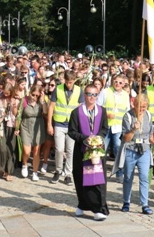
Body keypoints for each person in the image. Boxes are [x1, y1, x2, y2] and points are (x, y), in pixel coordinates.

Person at [67, 84, 109, 221]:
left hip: (97, 151)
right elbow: (72, 132)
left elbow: (104, 129)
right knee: (81, 179)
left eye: (95, 94)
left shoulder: (102, 111)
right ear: (84, 95)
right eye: (89, 94)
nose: (92, 97)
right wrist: (85, 138)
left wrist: (98, 138)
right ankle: (82, 204)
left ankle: (98, 208)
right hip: (82, 151)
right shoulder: (76, 112)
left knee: (97, 180)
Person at [120, 93, 154, 215]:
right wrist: (133, 129)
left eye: (144, 107)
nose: (142, 109)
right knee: (128, 177)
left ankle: (144, 204)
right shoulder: (128, 116)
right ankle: (126, 201)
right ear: (134, 104)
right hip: (131, 149)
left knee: (144, 177)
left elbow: (151, 134)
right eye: (140, 106)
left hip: (144, 149)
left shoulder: (148, 115)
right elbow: (126, 138)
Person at [47, 70, 83, 185]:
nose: (69, 84)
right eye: (67, 82)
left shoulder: (79, 90)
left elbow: (81, 108)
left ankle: (68, 174)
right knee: (58, 149)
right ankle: (58, 170)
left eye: (71, 82)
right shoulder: (58, 89)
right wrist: (49, 124)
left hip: (72, 125)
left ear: (74, 81)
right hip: (59, 123)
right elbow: (51, 107)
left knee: (70, 150)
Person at [97, 73, 130, 183]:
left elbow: (127, 111)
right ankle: (99, 172)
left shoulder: (126, 95)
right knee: (102, 149)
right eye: (116, 82)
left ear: (123, 84)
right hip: (106, 125)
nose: (117, 84)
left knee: (118, 150)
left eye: (120, 82)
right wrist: (106, 114)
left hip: (118, 127)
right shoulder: (105, 91)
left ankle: (119, 173)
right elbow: (98, 106)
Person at [15, 84, 47, 181]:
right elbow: (19, 114)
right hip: (26, 126)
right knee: (27, 151)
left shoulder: (41, 102)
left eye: (37, 95)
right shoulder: (24, 101)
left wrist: (42, 101)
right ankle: (25, 164)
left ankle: (35, 172)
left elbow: (45, 112)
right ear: (30, 93)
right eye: (33, 95)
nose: (35, 97)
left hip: (38, 126)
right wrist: (17, 128)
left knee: (37, 150)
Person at [0, 85, 18, 181]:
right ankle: (2, 168)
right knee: (2, 148)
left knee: (11, 148)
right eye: (4, 93)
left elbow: (16, 115)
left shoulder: (15, 100)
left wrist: (13, 106)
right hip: (1, 126)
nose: (5, 95)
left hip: (11, 125)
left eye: (7, 93)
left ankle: (8, 171)